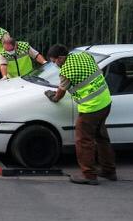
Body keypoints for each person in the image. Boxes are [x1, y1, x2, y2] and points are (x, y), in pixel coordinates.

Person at [44, 44, 116, 185]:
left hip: (91, 107)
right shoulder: (84, 56)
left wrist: (54, 97)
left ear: (60, 58)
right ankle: (109, 171)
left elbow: (61, 91)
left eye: (54, 61)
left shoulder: (66, 71)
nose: (54, 64)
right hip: (105, 101)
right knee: (101, 138)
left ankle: (89, 175)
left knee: (83, 141)